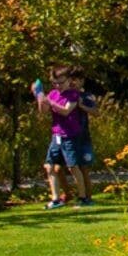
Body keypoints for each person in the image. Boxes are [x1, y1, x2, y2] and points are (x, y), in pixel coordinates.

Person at [35, 68, 96, 207]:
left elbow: (66, 110)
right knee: (49, 166)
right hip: (56, 134)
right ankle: (55, 199)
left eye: (60, 83)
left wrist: (50, 102)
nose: (57, 86)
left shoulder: (73, 94)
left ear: (68, 80)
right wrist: (40, 97)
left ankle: (83, 198)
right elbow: (43, 111)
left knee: (73, 167)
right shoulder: (53, 94)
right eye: (54, 83)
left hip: (70, 136)